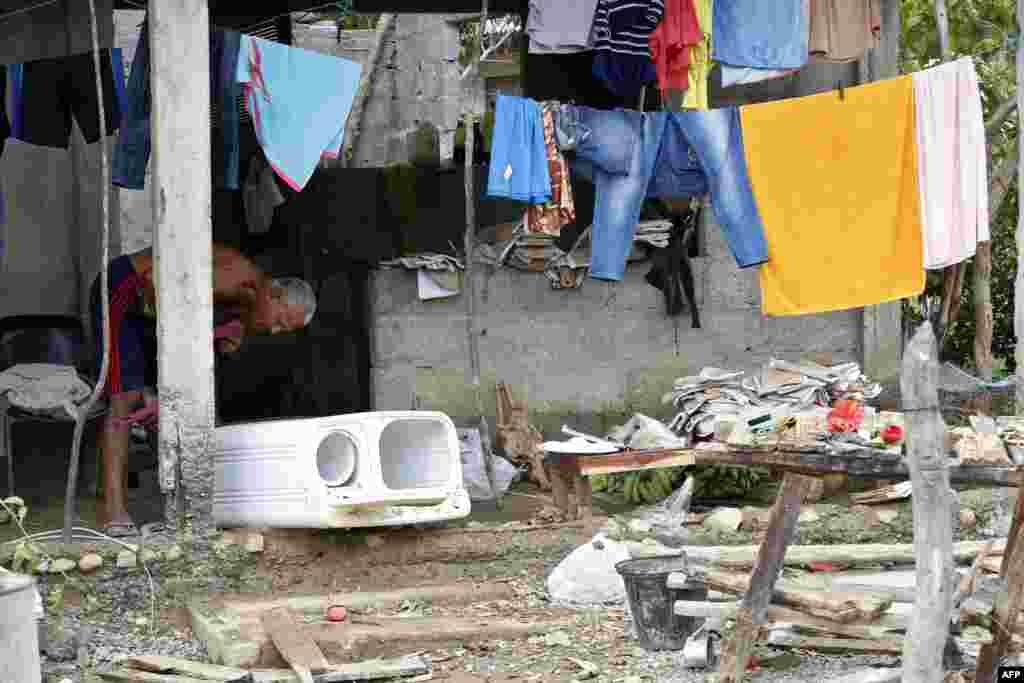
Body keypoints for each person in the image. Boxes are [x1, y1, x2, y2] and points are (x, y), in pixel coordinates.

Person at [89, 243, 317, 537]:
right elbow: (155, 284)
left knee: (177, 402)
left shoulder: (250, 306)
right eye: (280, 322)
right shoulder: (237, 277)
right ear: (273, 294)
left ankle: (191, 509)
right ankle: (114, 514)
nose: (274, 331)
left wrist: (218, 336)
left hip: (150, 311)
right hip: (125, 286)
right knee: (125, 398)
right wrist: (194, 342)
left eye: (283, 331)